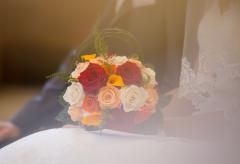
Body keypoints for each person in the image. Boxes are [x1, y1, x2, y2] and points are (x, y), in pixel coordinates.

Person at [0, 0, 239, 164]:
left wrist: (142, 121)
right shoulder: (205, 9)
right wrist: (21, 122)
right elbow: (76, 62)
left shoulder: (174, 8)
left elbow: (171, 79)